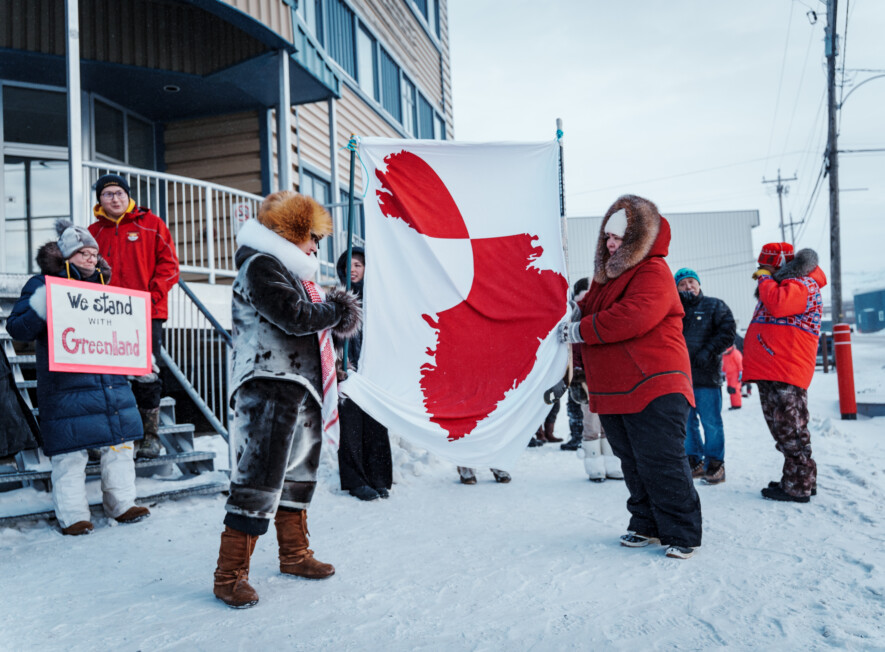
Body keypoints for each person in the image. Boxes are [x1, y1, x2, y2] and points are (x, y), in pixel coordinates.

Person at [213, 191, 361, 609]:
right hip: (268, 382)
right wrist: (337, 309)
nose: (316, 245)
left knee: (297, 474)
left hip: (300, 384)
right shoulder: (260, 265)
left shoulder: (292, 272)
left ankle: (294, 553)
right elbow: (293, 316)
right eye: (312, 236)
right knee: (258, 476)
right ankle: (229, 575)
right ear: (291, 233)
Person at [560, 195, 702, 560]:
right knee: (633, 462)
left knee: (662, 461)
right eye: (607, 236)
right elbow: (585, 309)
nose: (610, 243)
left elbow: (632, 317)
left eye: (619, 238)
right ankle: (646, 524)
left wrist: (579, 330)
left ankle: (682, 532)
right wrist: (568, 309)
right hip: (615, 388)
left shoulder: (653, 271)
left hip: (654, 384)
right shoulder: (605, 279)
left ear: (640, 239)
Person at [6, 220, 150, 535]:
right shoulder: (41, 285)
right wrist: (42, 305)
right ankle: (73, 515)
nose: (90, 258)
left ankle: (122, 504)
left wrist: (140, 356)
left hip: (110, 383)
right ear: (66, 256)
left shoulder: (106, 288)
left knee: (120, 446)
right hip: (66, 386)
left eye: (93, 253)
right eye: (82, 253)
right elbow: (17, 329)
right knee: (70, 454)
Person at [88, 174, 180, 459]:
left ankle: (149, 437)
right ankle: (113, 434)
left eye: (119, 193)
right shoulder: (93, 232)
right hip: (105, 315)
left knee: (146, 373)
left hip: (145, 312)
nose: (114, 198)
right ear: (100, 200)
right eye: (108, 194)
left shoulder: (152, 224)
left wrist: (151, 296)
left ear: (128, 196)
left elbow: (170, 266)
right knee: (107, 374)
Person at [743, 243, 826, 503]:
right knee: (783, 429)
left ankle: (798, 485)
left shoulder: (805, 285)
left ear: (781, 267)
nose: (760, 274)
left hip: (785, 370)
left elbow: (779, 305)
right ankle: (798, 478)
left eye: (765, 268)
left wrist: (767, 279)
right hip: (773, 369)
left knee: (790, 429)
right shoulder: (784, 286)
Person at [335, 247, 393, 502]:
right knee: (351, 428)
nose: (353, 269)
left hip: (375, 373)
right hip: (348, 372)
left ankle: (379, 479)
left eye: (358, 264)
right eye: (348, 265)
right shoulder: (336, 301)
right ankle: (356, 481)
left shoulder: (377, 300)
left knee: (376, 426)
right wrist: (339, 365)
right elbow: (327, 339)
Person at [674, 268, 736, 484]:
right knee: (687, 423)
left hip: (707, 377)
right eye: (682, 283)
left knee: (711, 422)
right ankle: (695, 462)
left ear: (698, 284)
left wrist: (707, 352)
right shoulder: (673, 311)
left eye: (691, 281)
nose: (688, 286)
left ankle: (716, 464)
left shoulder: (714, 305)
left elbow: (728, 332)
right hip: (681, 377)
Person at [561, 278, 590, 452]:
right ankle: (576, 435)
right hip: (575, 367)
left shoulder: (586, 314)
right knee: (574, 404)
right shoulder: (571, 314)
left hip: (585, 367)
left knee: (587, 407)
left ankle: (582, 436)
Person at [721, 345, 743, 410]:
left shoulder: (735, 353)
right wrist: (722, 373)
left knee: (735, 389)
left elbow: (740, 363)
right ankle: (734, 404)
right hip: (728, 375)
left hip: (735, 374)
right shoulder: (724, 355)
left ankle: (737, 404)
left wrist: (741, 374)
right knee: (730, 389)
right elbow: (724, 365)